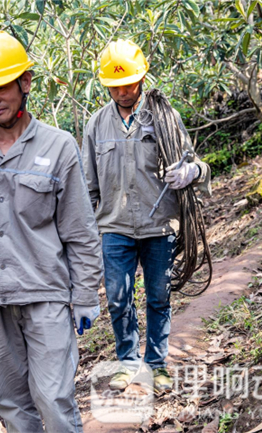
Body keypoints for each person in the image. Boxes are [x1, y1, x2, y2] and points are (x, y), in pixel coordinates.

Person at [0, 30, 103, 432]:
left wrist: (84, 295)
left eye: (0, 88)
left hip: (44, 294)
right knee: (12, 404)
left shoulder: (59, 146)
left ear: (25, 83)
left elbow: (80, 230)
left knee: (53, 400)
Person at [81, 40, 211, 392]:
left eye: (129, 83)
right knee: (119, 297)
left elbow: (197, 164)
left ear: (142, 77)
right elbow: (87, 186)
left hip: (159, 226)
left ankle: (156, 364)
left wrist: (190, 174)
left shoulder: (165, 119)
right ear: (105, 84)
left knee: (158, 296)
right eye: (115, 85)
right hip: (114, 227)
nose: (123, 91)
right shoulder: (95, 126)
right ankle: (127, 362)